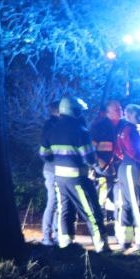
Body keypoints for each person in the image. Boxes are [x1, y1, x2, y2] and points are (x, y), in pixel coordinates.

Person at [39, 96, 111, 252]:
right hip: (78, 178)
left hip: (59, 178)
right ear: (74, 111)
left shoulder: (52, 128)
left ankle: (65, 245)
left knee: (64, 210)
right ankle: (102, 245)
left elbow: (44, 154)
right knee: (91, 211)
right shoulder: (81, 131)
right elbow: (89, 157)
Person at [113, 103, 140, 252]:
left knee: (126, 204)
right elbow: (135, 152)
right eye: (138, 115)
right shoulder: (129, 130)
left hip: (125, 167)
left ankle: (125, 240)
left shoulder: (124, 129)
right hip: (132, 167)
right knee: (138, 203)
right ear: (129, 115)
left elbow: (119, 151)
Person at [89, 100, 122, 235]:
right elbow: (90, 147)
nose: (120, 111)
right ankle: (98, 228)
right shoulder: (99, 126)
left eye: (120, 108)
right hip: (102, 168)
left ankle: (120, 228)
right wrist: (99, 162)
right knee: (100, 198)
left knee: (120, 199)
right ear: (108, 112)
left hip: (118, 167)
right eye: (116, 109)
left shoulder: (123, 125)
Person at [38, 101, 61, 246]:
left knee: (58, 203)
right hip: (53, 169)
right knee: (53, 201)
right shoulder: (51, 126)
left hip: (56, 168)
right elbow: (43, 151)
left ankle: (56, 234)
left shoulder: (54, 125)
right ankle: (47, 235)